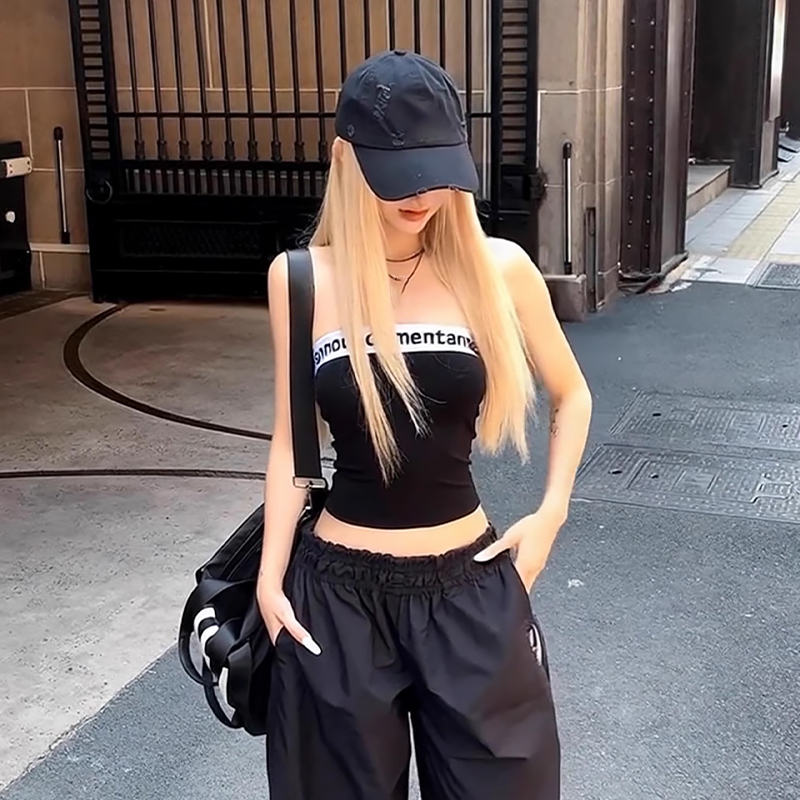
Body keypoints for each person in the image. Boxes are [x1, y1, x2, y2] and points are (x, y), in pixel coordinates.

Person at [257, 50, 592, 800]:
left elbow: (572, 394)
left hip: (468, 587)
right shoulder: (301, 279)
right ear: (346, 158)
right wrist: (270, 582)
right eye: (400, 170)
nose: (423, 193)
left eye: (438, 169)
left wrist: (551, 515)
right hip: (335, 602)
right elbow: (291, 441)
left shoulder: (499, 268)